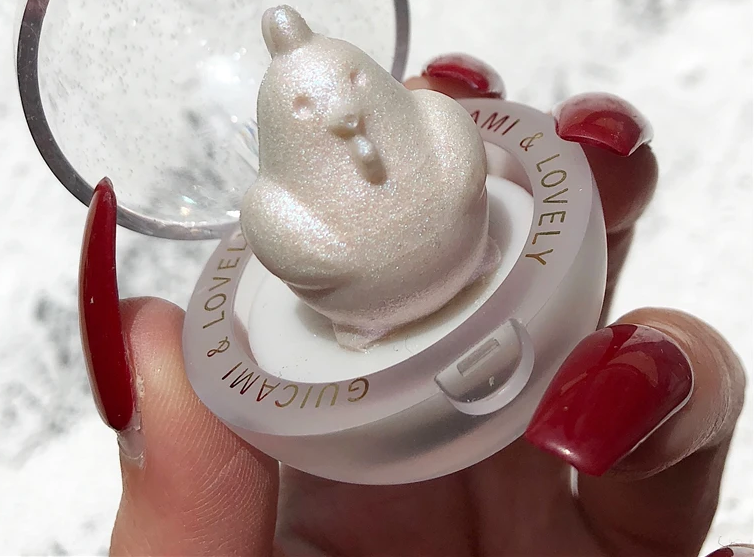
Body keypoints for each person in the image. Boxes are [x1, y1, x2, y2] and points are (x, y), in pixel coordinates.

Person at [79, 54, 749, 557]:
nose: (344, 116)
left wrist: (441, 205)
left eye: (356, 83)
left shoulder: (432, 121)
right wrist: (357, 265)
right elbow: (310, 252)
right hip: (354, 339)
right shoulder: (271, 212)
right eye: (308, 109)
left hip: (477, 263)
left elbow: (458, 161)